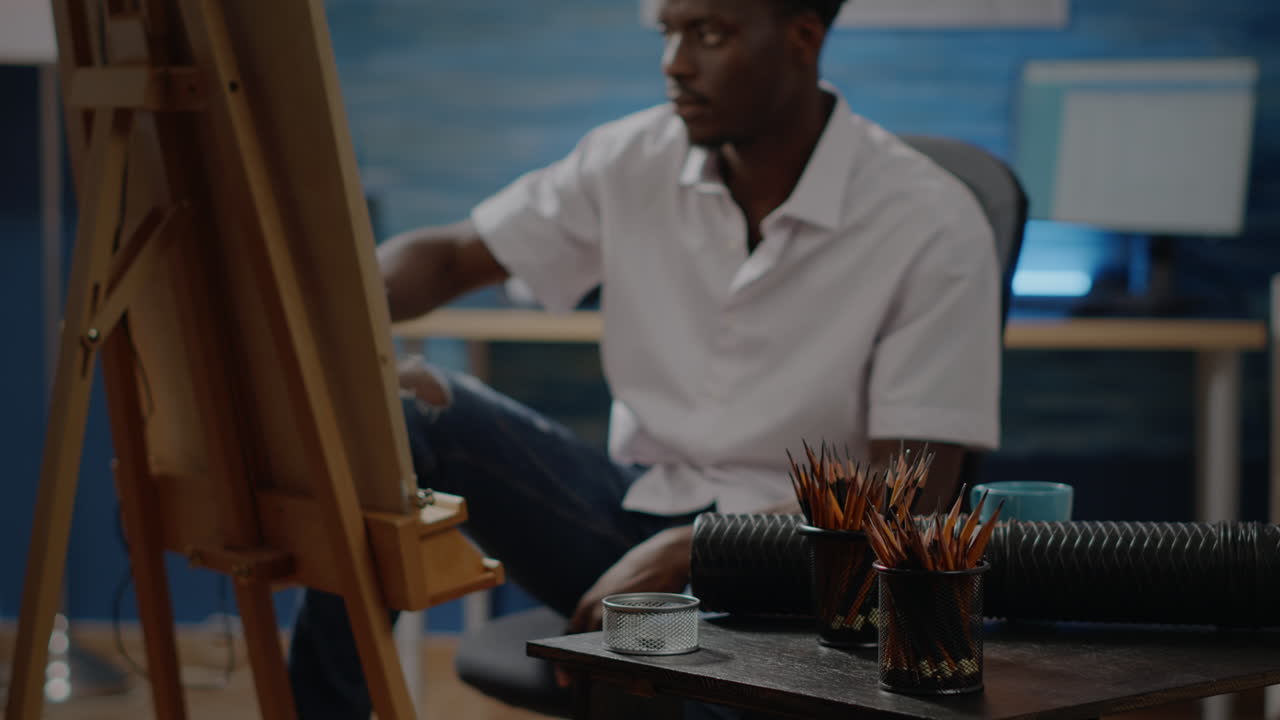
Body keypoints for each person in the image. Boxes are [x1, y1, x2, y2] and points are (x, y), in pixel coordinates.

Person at [288, 0, 1000, 716]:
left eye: (709, 34)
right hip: (633, 510)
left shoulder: (931, 222)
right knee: (409, 406)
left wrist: (694, 550)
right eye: (668, 31)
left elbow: (910, 496)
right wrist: (309, 311)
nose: (675, 63)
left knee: (663, 686)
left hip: (806, 572)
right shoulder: (628, 157)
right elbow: (448, 257)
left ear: (802, 37)